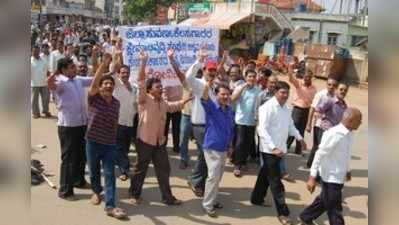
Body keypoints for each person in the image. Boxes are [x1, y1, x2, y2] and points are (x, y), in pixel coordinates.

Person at [128, 51, 192, 206]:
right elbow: (142, 81)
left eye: (161, 86)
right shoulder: (144, 100)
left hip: (159, 143)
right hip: (144, 141)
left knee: (164, 170)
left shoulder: (162, 102)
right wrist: (143, 62)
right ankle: (134, 194)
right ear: (150, 89)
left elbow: (171, 107)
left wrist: (185, 101)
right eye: (158, 87)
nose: (161, 89)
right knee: (140, 170)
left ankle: (167, 198)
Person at [251, 81, 307, 225]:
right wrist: (272, 147)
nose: (285, 95)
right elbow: (261, 130)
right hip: (269, 150)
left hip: (280, 149)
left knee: (265, 173)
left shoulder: (286, 109)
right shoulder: (266, 108)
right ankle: (283, 213)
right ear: (275, 92)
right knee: (276, 182)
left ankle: (256, 198)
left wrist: (300, 138)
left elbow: (290, 126)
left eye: (287, 93)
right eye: (282, 92)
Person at [298, 108, 362, 225]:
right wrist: (312, 177)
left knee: (324, 200)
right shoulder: (334, 134)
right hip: (330, 177)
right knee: (335, 209)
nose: (361, 123)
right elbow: (319, 154)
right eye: (359, 120)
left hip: (339, 176)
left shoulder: (349, 134)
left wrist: (347, 170)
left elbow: (346, 154)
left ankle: (305, 217)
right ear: (351, 120)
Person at [84, 53, 127, 219]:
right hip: (92, 142)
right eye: (105, 83)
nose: (108, 85)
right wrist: (103, 65)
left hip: (109, 144)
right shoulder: (94, 98)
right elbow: (94, 83)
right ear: (100, 87)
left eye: (110, 83)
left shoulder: (116, 103)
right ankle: (96, 191)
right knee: (94, 172)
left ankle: (110, 205)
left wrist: (114, 138)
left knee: (110, 174)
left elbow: (115, 121)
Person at [47, 58, 92, 200]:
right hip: (68, 126)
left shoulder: (78, 79)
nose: (75, 69)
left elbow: (93, 79)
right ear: (64, 70)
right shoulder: (60, 82)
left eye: (75, 67)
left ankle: (78, 180)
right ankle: (65, 190)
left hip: (81, 123)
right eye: (72, 67)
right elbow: (50, 84)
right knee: (69, 159)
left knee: (81, 155)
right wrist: (54, 74)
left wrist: (107, 67)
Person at [201, 83, 234, 217]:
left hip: (224, 148)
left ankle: (213, 201)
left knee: (218, 177)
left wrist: (231, 146)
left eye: (227, 94)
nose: (225, 96)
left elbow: (231, 129)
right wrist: (207, 85)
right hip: (212, 147)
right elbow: (204, 98)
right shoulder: (212, 108)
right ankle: (207, 205)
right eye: (222, 94)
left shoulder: (230, 110)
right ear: (216, 95)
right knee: (213, 177)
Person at [231, 69, 262, 177]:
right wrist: (243, 87)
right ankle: (237, 165)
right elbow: (233, 99)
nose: (252, 79)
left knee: (247, 143)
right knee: (239, 143)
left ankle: (243, 162)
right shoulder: (240, 88)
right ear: (245, 78)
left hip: (252, 121)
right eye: (249, 76)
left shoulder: (258, 90)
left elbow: (259, 106)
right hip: (240, 120)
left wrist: (258, 119)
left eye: (254, 76)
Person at [111, 64, 137, 181]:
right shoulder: (116, 84)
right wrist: (117, 55)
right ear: (118, 74)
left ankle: (122, 165)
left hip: (130, 122)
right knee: (120, 147)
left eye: (127, 72)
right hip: (118, 121)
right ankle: (124, 170)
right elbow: (112, 72)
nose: (125, 74)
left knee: (125, 147)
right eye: (123, 72)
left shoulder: (133, 87)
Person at [305, 78, 338, 168]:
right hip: (319, 124)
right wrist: (309, 124)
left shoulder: (336, 97)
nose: (331, 87)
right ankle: (313, 165)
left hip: (330, 126)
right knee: (319, 146)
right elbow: (312, 108)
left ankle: (311, 163)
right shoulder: (320, 95)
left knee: (320, 146)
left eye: (334, 85)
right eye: (329, 84)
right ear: (326, 84)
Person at [286, 66, 317, 155]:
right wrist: (290, 71)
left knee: (301, 130)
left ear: (311, 77)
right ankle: (286, 146)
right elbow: (291, 78)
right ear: (303, 76)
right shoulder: (298, 84)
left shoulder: (313, 88)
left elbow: (314, 102)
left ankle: (298, 149)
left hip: (306, 110)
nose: (307, 78)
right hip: (297, 109)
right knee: (293, 128)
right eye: (306, 76)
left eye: (309, 77)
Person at [31, 45, 51, 118]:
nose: (36, 52)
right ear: (31, 52)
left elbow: (48, 70)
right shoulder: (30, 61)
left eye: (37, 51)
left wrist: (49, 78)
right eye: (34, 51)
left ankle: (45, 111)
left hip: (44, 83)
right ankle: (35, 113)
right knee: (34, 100)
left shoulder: (43, 60)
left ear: (39, 51)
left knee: (46, 98)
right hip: (34, 83)